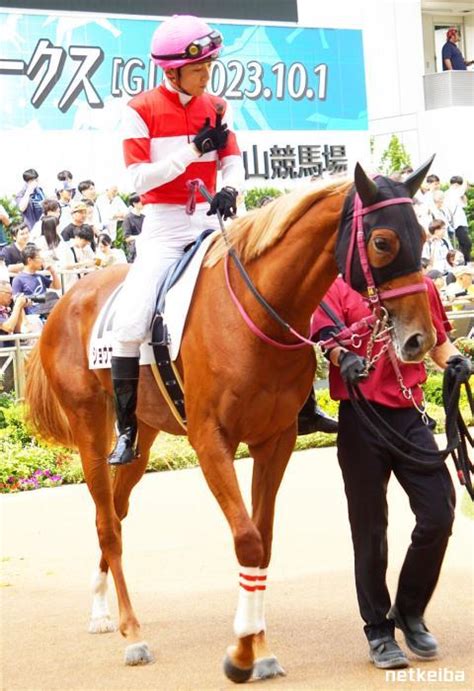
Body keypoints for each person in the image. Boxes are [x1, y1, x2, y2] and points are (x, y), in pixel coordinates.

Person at [311, 275, 470, 670]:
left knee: (438, 513)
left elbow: (437, 343)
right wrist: (342, 357)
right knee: (369, 529)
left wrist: (455, 361)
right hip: (360, 418)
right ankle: (378, 630)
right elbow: (326, 336)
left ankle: (409, 611)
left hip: (410, 416)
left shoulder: (420, 285)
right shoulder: (338, 285)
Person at [108, 14, 245, 465]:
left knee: (268, 280)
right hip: (164, 227)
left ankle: (300, 406)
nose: (207, 73)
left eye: (209, 65)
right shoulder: (139, 110)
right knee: (129, 323)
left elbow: (232, 160)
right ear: (172, 71)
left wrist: (230, 187)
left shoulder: (217, 105)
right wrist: (192, 152)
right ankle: (127, 430)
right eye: (199, 67)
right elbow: (137, 177)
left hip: (210, 221)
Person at [11, 245, 61, 319]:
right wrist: (40, 298)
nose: (41, 261)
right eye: (39, 258)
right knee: (52, 296)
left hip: (46, 307)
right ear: (29, 260)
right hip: (34, 312)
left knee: (55, 296)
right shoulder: (18, 279)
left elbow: (57, 287)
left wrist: (53, 272)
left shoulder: (39, 276)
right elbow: (17, 301)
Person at [57, 226, 96, 292]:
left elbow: (94, 260)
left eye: (88, 242)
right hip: (68, 285)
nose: (86, 243)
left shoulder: (87, 247)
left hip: (82, 285)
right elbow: (64, 266)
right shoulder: (65, 247)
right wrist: (83, 264)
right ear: (77, 237)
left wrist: (102, 261)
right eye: (85, 241)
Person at [444, 176, 472, 264]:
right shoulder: (450, 192)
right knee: (466, 244)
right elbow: (463, 189)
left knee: (464, 244)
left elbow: (464, 204)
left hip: (461, 222)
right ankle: (465, 262)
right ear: (456, 184)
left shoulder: (455, 194)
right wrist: (466, 182)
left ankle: (464, 261)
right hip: (457, 223)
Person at [122, 193, 144, 262]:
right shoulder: (128, 218)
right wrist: (140, 236)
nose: (143, 203)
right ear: (134, 203)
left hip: (145, 248)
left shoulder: (144, 217)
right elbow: (127, 238)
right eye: (140, 201)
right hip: (135, 251)